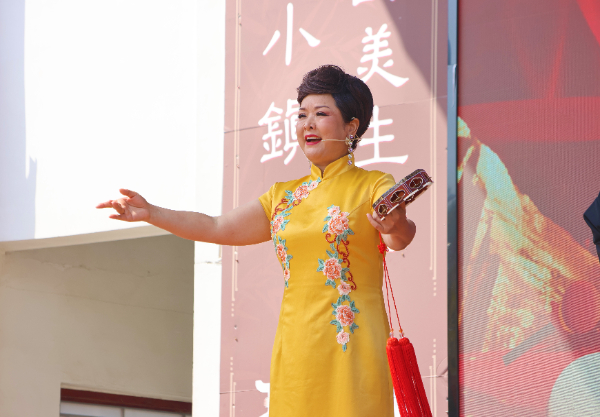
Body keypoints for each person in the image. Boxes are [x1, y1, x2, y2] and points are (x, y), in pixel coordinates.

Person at [97, 65, 416, 416]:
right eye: (302, 115)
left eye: (321, 114)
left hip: (353, 342)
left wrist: (396, 223)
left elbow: (399, 237)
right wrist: (152, 213)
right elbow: (216, 226)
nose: (307, 124)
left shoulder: (374, 184)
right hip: (295, 346)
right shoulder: (283, 196)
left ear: (351, 127)